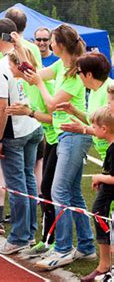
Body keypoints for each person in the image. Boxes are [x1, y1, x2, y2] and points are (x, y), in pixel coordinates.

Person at [21, 24, 96, 269]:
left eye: (51, 41)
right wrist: (21, 58)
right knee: (72, 193)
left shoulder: (74, 74)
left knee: (59, 191)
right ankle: (86, 246)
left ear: (60, 45)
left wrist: (38, 84)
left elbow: (52, 103)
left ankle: (63, 248)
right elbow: (36, 75)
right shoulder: (61, 66)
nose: (48, 45)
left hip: (74, 135)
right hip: (66, 136)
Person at [0, 29, 44, 255]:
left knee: (18, 186)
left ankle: (20, 236)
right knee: (28, 180)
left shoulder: (1, 66)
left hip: (15, 132)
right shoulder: (27, 54)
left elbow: (1, 107)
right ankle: (29, 233)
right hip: (33, 126)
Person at [80, 107, 114, 282]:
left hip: (108, 201)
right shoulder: (110, 147)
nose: (92, 129)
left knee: (108, 229)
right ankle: (106, 267)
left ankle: (108, 268)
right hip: (106, 199)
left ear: (104, 128)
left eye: (94, 126)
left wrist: (99, 176)